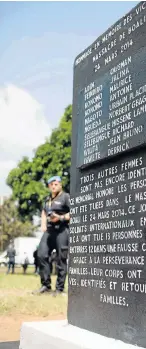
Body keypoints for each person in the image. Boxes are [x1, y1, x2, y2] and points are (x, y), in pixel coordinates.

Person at [33, 176, 70, 295]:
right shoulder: (47, 199)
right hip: (49, 231)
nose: (53, 186)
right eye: (51, 184)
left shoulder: (65, 197)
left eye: (56, 184)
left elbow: (74, 212)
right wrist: (43, 224)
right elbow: (44, 212)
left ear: (60, 185)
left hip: (62, 230)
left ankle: (59, 288)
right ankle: (46, 285)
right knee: (41, 255)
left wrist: (60, 217)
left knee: (61, 259)